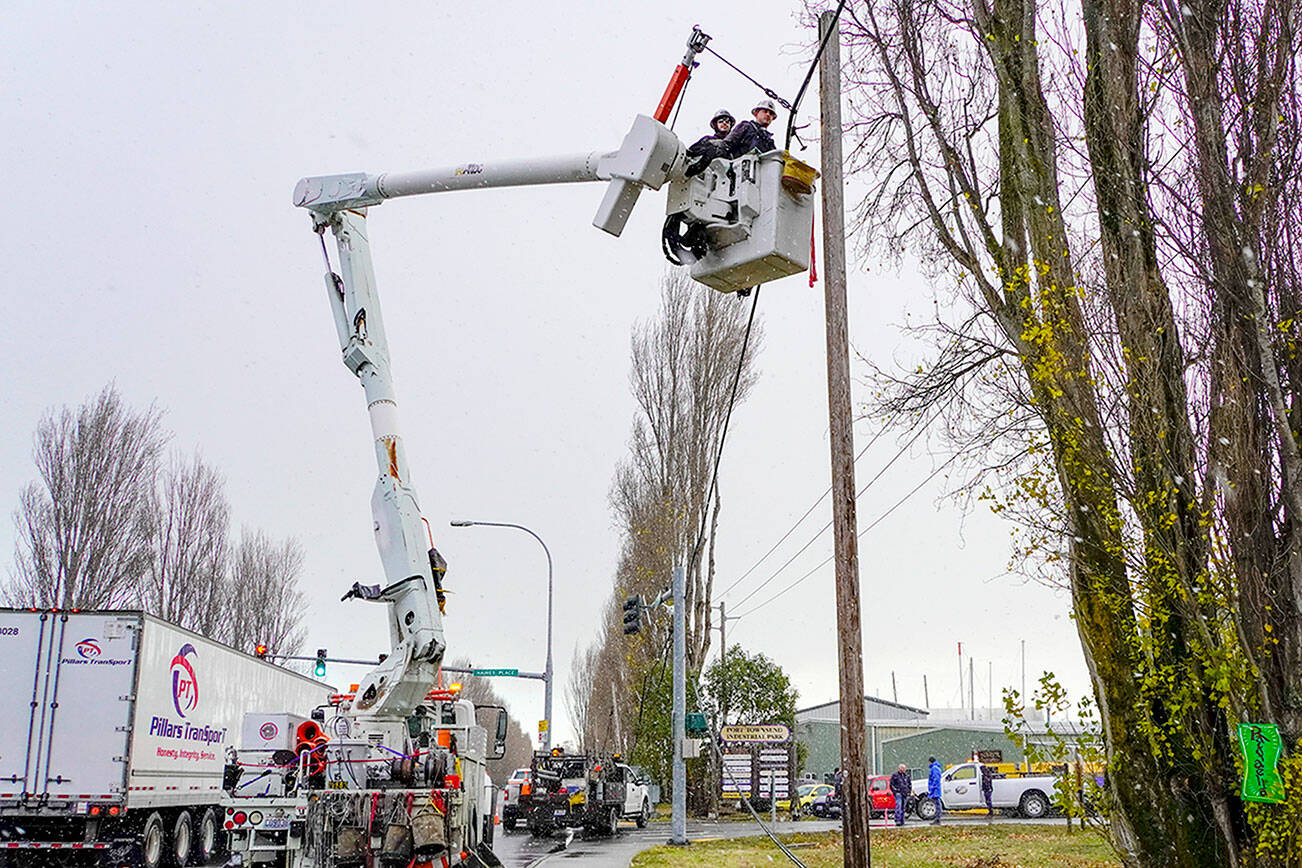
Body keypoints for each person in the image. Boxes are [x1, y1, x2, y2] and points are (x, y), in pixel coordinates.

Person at [927, 757, 943, 825]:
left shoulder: (934, 768)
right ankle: (937, 819)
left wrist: (932, 788)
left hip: (935, 790)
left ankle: (937, 819)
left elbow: (935, 779)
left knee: (937, 805)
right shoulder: (937, 768)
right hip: (936, 789)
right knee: (937, 804)